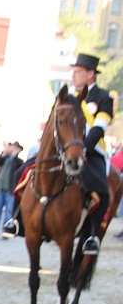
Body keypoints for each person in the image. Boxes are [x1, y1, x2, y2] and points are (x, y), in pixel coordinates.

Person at [67, 53, 112, 254]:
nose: (73, 76)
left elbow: (99, 127)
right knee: (25, 171)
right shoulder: (67, 96)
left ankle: (91, 236)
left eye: (77, 72)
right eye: (73, 72)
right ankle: (18, 219)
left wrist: (83, 148)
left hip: (91, 150)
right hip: (64, 148)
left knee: (101, 190)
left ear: (90, 74)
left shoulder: (103, 98)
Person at [0, 141, 24, 238]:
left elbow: (19, 167)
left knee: (9, 212)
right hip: (0, 188)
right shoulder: (4, 158)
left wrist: (14, 156)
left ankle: (6, 231)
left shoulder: (19, 161)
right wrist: (5, 152)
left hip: (10, 190)